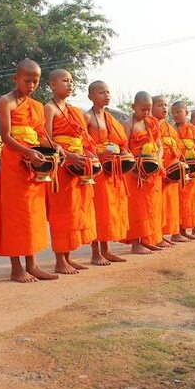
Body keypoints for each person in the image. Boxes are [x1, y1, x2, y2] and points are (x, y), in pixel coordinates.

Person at [0, 59, 60, 283]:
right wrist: (27, 152)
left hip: (34, 163)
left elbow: (40, 135)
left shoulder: (37, 106)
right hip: (14, 162)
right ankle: (16, 267)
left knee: (33, 215)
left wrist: (54, 147)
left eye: (35, 81)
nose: (31, 85)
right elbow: (6, 136)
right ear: (15, 78)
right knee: (15, 215)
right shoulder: (6, 101)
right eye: (27, 80)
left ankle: (33, 264)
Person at [44, 69, 97, 274]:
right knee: (62, 213)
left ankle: (68, 256)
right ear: (53, 85)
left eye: (72, 81)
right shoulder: (49, 109)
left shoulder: (75, 111)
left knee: (76, 212)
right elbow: (47, 140)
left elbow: (84, 138)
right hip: (62, 166)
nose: (70, 84)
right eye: (65, 80)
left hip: (79, 165)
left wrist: (88, 155)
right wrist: (68, 155)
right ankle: (59, 259)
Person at [84, 81, 129, 265]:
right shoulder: (86, 117)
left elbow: (122, 141)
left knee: (110, 211)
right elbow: (82, 144)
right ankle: (95, 252)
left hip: (113, 170)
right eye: (101, 92)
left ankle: (107, 249)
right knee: (97, 211)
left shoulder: (112, 119)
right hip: (97, 170)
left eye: (108, 92)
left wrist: (124, 153)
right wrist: (99, 153)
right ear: (91, 96)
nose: (106, 95)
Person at [124, 92, 164, 254]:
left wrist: (158, 160)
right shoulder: (128, 124)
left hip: (152, 170)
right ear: (134, 107)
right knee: (137, 207)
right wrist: (134, 168)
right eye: (143, 110)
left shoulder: (152, 123)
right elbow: (124, 148)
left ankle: (147, 239)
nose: (146, 113)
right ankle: (136, 242)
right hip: (135, 172)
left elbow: (159, 146)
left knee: (151, 206)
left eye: (149, 110)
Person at [153, 96, 184, 246]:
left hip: (171, 172)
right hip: (156, 170)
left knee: (170, 205)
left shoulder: (170, 128)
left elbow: (177, 149)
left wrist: (177, 168)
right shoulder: (149, 125)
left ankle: (166, 233)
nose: (164, 108)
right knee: (157, 205)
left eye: (166, 105)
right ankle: (155, 235)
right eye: (160, 105)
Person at [172, 101, 195, 240]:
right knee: (179, 202)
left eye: (179, 111)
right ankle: (177, 231)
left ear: (186, 113)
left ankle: (186, 230)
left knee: (191, 201)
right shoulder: (171, 130)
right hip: (179, 170)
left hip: (193, 170)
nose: (176, 115)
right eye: (174, 112)